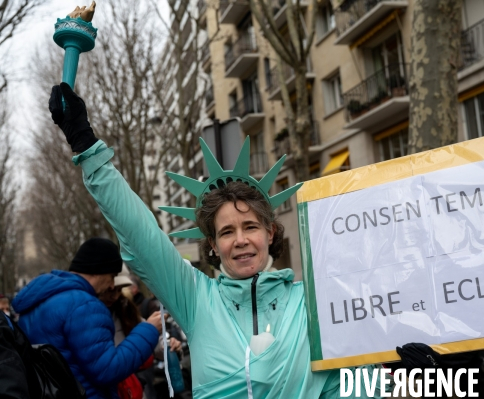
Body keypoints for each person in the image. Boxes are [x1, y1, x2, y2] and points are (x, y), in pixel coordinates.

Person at [48, 82, 398, 398]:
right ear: (212, 245)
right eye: (227, 232)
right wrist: (87, 147)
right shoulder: (197, 300)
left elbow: (351, 384)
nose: (241, 240)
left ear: (270, 232)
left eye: (250, 227)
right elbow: (140, 233)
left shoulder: (313, 302)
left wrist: (405, 376)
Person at [12, 237, 163, 399]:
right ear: (98, 270)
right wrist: (149, 330)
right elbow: (108, 370)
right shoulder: (85, 305)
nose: (112, 285)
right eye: (112, 276)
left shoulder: (36, 303)